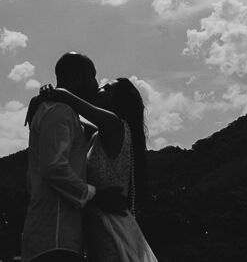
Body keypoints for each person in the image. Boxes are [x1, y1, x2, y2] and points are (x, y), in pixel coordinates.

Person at [22, 53, 129, 262]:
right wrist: (95, 196)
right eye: (93, 76)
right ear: (79, 76)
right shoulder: (59, 111)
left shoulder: (66, 113)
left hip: (60, 235)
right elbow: (53, 167)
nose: (96, 84)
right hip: (55, 235)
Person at [39, 77, 159, 262]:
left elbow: (70, 100)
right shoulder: (102, 132)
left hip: (110, 225)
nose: (99, 89)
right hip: (101, 223)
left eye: (106, 88)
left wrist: (53, 92)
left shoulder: (114, 124)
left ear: (116, 100)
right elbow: (75, 120)